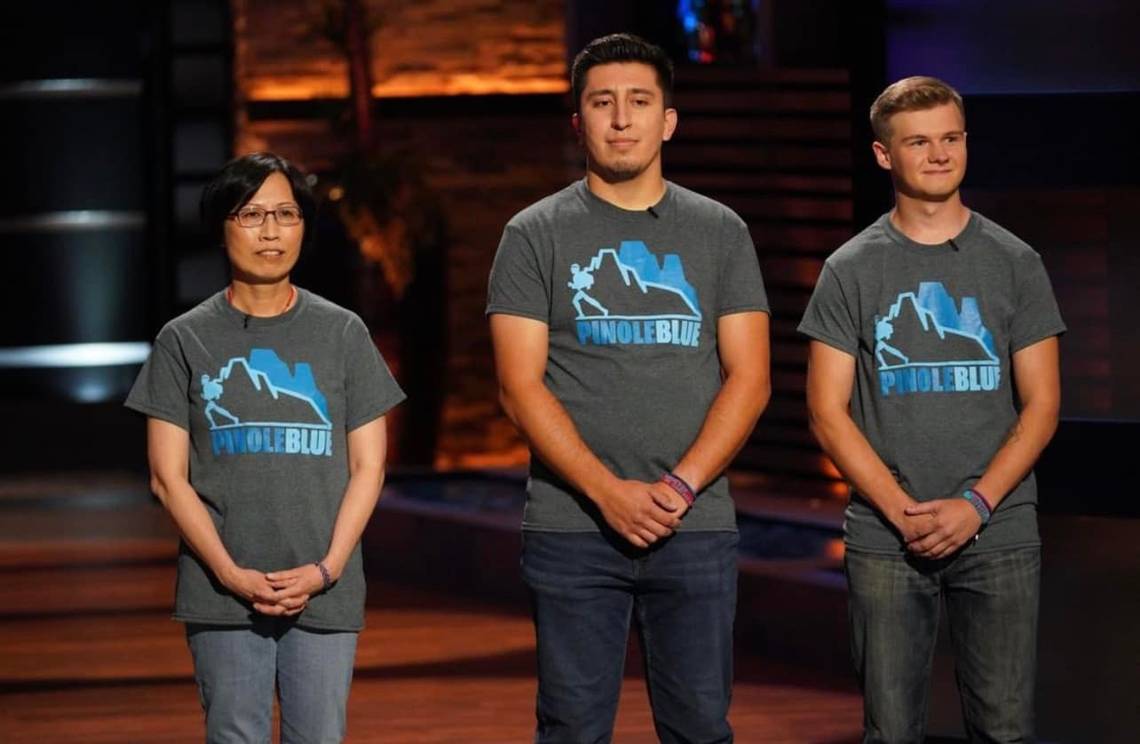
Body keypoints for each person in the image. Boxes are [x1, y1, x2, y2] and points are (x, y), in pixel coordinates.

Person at [486, 33, 770, 743]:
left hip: (695, 526)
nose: (621, 119)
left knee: (701, 728)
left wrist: (678, 489)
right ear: (578, 121)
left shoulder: (720, 232)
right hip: (571, 528)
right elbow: (520, 390)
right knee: (573, 729)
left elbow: (751, 377)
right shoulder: (532, 235)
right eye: (602, 103)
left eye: (639, 102)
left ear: (667, 120)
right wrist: (607, 492)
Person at [799, 77, 1064, 742]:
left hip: (999, 529)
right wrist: (900, 510)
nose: (940, 154)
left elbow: (1042, 404)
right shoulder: (850, 269)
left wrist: (975, 505)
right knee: (890, 732)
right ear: (885, 156)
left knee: (1004, 729)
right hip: (888, 537)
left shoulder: (1014, 262)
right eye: (919, 142)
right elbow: (826, 412)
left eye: (951, 138)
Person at [126, 152, 405, 742]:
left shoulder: (343, 332)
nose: (272, 231)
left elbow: (369, 466)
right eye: (251, 215)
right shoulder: (184, 339)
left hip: (323, 588)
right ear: (222, 226)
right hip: (220, 590)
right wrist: (230, 574)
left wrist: (325, 570)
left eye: (286, 213)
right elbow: (167, 478)